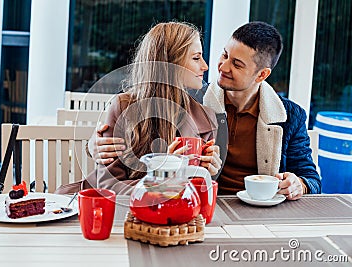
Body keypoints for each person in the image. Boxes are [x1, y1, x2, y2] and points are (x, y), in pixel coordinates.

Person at [88, 21, 321, 200]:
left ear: (261, 75)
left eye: (237, 64)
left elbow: (311, 177)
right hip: (196, 204)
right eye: (224, 54)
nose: (221, 66)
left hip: (253, 209)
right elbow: (149, 101)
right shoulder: (193, 98)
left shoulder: (290, 116)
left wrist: (299, 184)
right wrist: (93, 145)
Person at [56, 21, 222, 195]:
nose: (205, 66)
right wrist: (162, 178)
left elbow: (197, 192)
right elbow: (108, 186)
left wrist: (208, 173)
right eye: (196, 58)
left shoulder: (207, 118)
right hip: (124, 214)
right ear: (169, 62)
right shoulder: (123, 107)